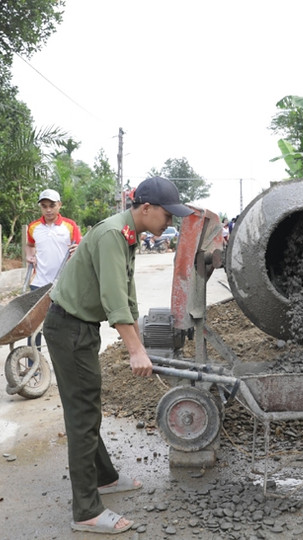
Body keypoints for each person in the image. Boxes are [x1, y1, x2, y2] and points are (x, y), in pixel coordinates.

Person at [43, 176, 193, 534]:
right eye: (167, 215)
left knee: (88, 405)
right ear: (145, 209)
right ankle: (86, 511)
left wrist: (140, 338)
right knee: (82, 415)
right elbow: (113, 301)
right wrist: (135, 351)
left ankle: (105, 477)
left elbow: (126, 292)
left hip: (79, 328)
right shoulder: (113, 234)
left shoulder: (127, 235)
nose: (169, 222)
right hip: (69, 329)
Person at [24, 189, 82, 348]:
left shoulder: (70, 226)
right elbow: (30, 245)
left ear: (59, 206)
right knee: (34, 324)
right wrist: (30, 256)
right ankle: (33, 364)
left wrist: (77, 249)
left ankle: (63, 362)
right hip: (39, 283)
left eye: (52, 205)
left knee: (62, 324)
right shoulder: (33, 227)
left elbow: (79, 248)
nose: (48, 210)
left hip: (63, 283)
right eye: (44, 206)